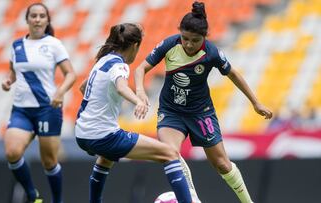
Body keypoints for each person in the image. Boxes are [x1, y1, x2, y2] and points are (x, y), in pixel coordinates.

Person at [134, 2, 273, 203]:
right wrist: (140, 91)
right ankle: (192, 199)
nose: (189, 44)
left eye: (195, 40)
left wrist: (256, 102)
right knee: (170, 154)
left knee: (222, 165)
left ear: (204, 38)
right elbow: (140, 69)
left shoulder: (211, 53)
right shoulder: (169, 45)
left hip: (200, 112)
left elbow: (233, 74)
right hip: (171, 112)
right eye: (185, 39)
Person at [75, 23, 194, 203]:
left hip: (82, 133)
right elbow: (122, 87)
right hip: (103, 136)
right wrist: (138, 101)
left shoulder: (102, 60)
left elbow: (83, 87)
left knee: (106, 159)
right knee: (169, 153)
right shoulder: (120, 66)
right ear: (135, 46)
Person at [1, 3, 76, 203]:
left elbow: (70, 74)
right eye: (33, 16)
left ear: (47, 20)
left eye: (42, 16)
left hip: (47, 109)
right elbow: (14, 71)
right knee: (12, 152)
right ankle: (33, 195)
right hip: (21, 110)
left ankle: (57, 200)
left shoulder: (54, 44)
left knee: (49, 162)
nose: (37, 19)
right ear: (27, 20)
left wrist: (60, 92)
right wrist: (8, 81)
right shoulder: (17, 45)